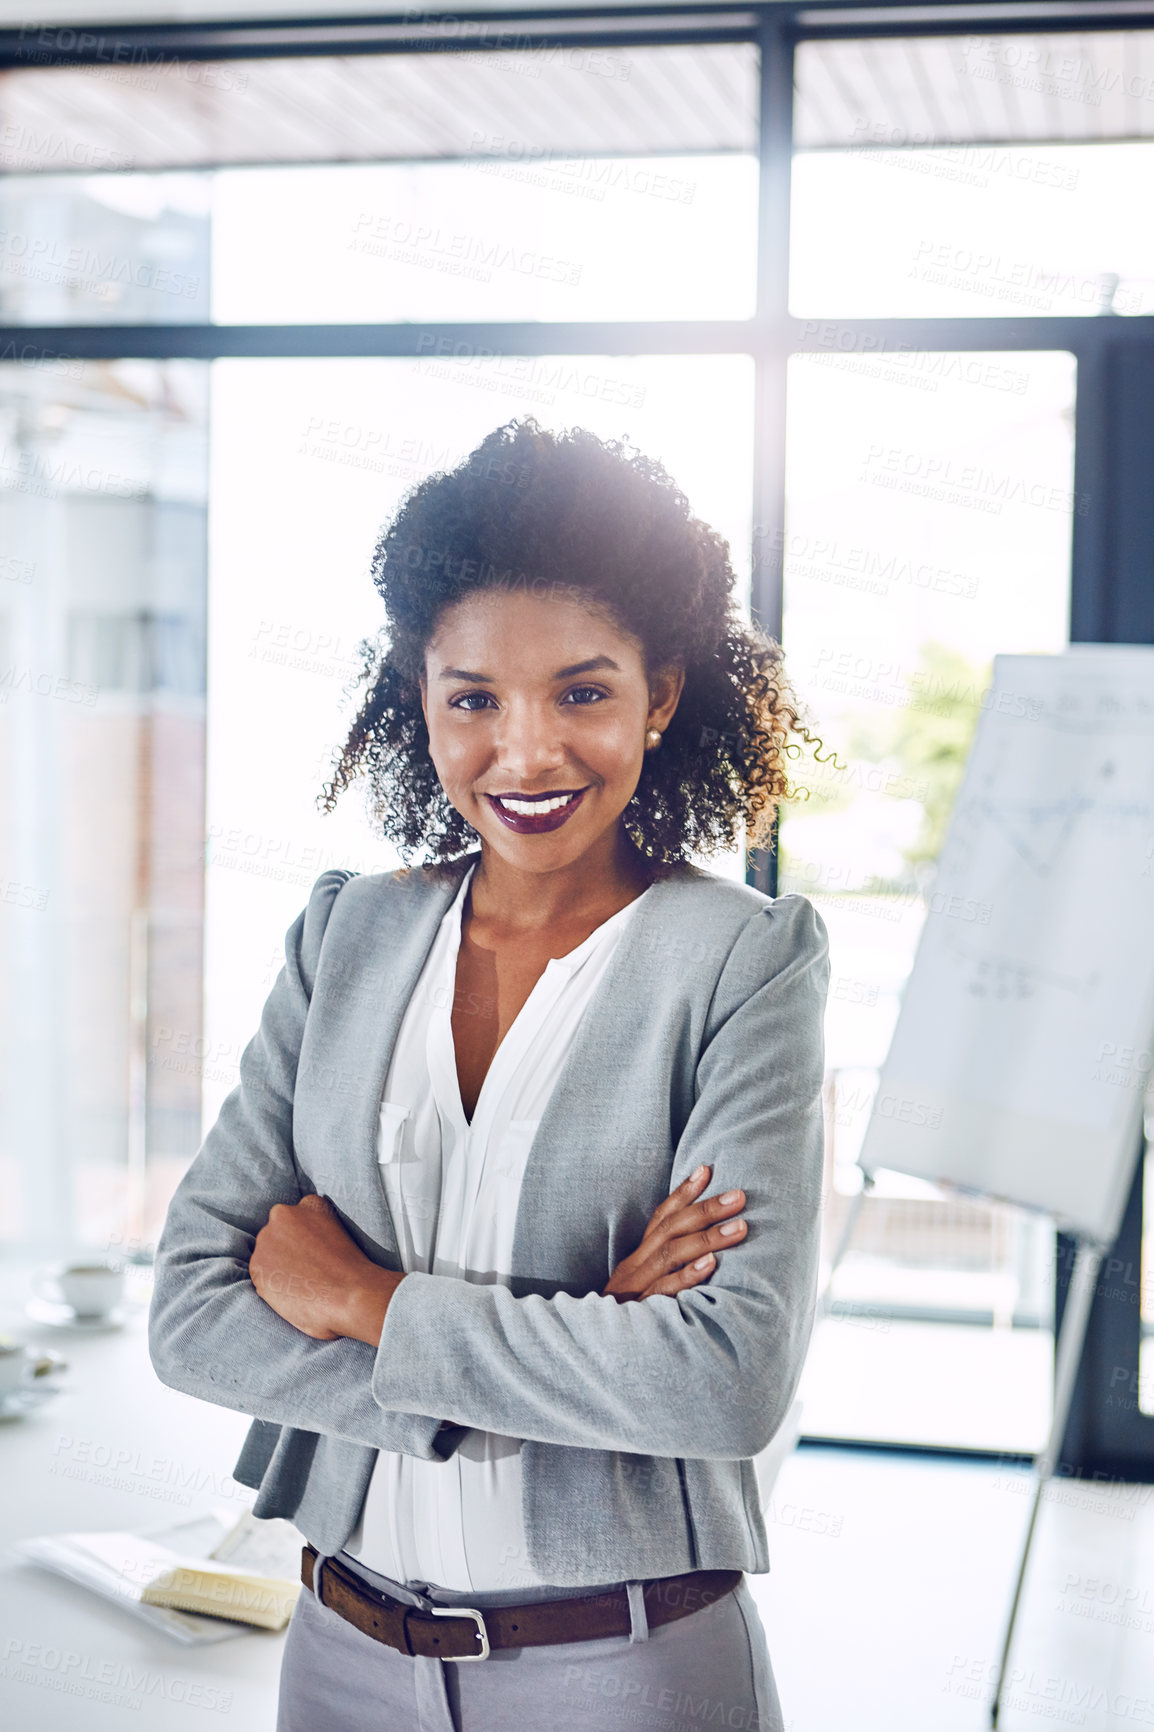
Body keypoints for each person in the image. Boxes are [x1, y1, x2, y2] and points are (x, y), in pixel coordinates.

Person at [149, 419, 830, 1732]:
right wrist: (575, 1328)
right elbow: (190, 1314)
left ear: (661, 694)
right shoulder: (349, 935)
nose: (524, 756)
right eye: (474, 698)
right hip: (338, 1651)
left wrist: (358, 1298)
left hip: (621, 1668)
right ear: (421, 695)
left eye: (581, 692)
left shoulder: (739, 959)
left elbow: (720, 1380)